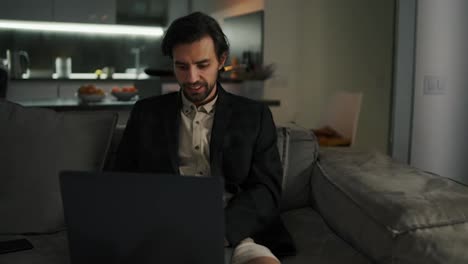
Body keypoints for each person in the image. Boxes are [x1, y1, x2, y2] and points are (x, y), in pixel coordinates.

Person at [114, 12, 294, 264]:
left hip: (236, 232)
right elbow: (120, 181)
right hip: (164, 230)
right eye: (182, 66)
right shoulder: (146, 113)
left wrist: (220, 231)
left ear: (221, 60)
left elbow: (267, 190)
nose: (191, 78)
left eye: (202, 65)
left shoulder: (255, 115)